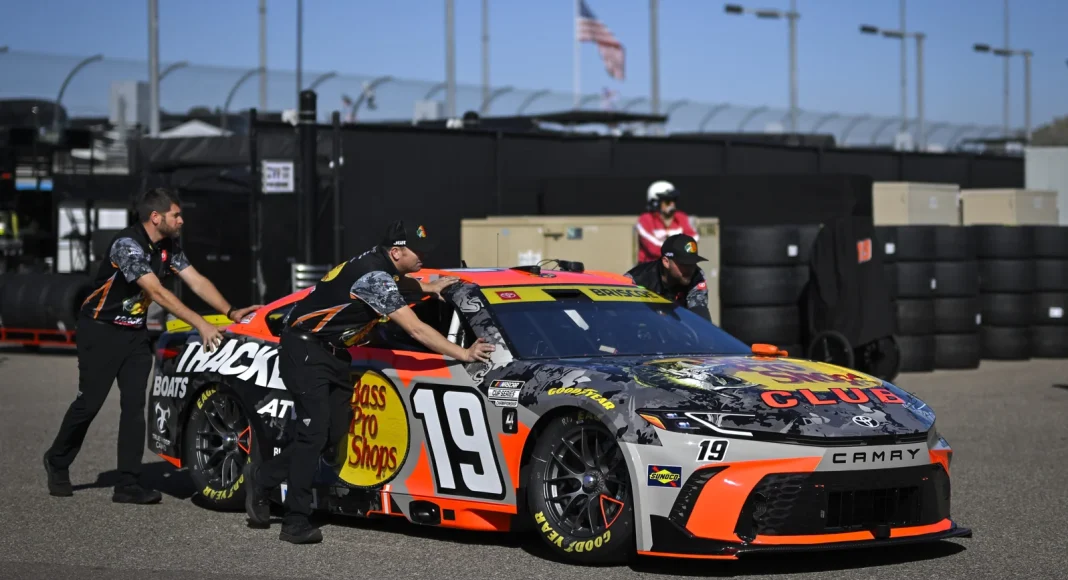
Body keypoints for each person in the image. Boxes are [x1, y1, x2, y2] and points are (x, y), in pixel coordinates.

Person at [243, 219, 495, 545]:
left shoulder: (381, 269)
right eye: (419, 253)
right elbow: (415, 329)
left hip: (331, 354)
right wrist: (462, 353)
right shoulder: (373, 277)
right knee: (313, 434)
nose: (424, 259)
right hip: (304, 351)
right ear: (396, 252)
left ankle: (263, 477)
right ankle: (295, 521)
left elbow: (396, 286)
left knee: (332, 434)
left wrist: (431, 287)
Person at [43, 187, 261, 503]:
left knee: (133, 406)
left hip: (134, 335)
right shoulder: (126, 246)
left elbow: (196, 280)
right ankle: (57, 460)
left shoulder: (169, 248)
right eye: (176, 215)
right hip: (100, 331)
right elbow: (157, 293)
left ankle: (128, 484)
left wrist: (230, 311)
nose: (182, 220)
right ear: (156, 217)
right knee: (89, 403)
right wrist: (200, 323)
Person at [625, 233, 711, 321]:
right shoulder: (637, 279)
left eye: (693, 263)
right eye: (684, 264)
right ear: (666, 262)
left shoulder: (697, 276)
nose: (690, 269)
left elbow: (700, 319)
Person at [636, 180, 699, 264]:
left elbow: (693, 238)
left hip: (677, 268)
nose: (672, 204)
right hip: (652, 269)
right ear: (655, 203)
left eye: (674, 200)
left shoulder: (681, 217)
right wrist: (681, 249)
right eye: (667, 201)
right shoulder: (645, 219)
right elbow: (653, 248)